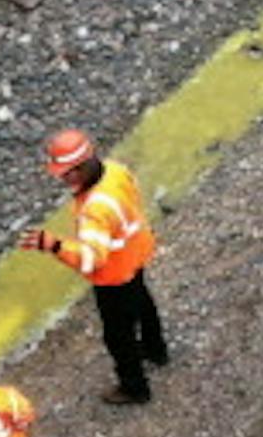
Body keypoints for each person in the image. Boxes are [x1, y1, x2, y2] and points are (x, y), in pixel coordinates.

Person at [16, 127, 168, 405]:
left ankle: (134, 388)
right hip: (136, 255)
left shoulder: (94, 210)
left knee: (118, 336)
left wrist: (53, 245)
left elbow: (90, 259)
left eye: (64, 173)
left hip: (114, 277)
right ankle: (156, 350)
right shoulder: (115, 171)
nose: (62, 179)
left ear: (78, 170)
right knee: (144, 304)